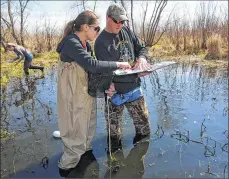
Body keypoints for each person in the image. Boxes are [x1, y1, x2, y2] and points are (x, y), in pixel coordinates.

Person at [56, 10, 131, 173]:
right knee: (75, 124)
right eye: (96, 28)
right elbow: (91, 64)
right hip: (72, 91)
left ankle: (85, 150)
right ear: (85, 27)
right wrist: (118, 64)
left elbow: (92, 71)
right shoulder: (71, 42)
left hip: (84, 90)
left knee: (88, 121)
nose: (98, 32)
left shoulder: (86, 45)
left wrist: (106, 87)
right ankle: (67, 166)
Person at [94, 3, 152, 151]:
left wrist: (142, 59)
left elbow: (142, 48)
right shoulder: (100, 42)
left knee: (144, 131)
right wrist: (107, 84)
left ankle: (138, 161)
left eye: (122, 21)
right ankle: (116, 166)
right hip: (115, 95)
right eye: (116, 21)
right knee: (114, 138)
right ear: (108, 18)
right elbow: (103, 69)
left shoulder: (127, 30)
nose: (120, 24)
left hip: (134, 90)